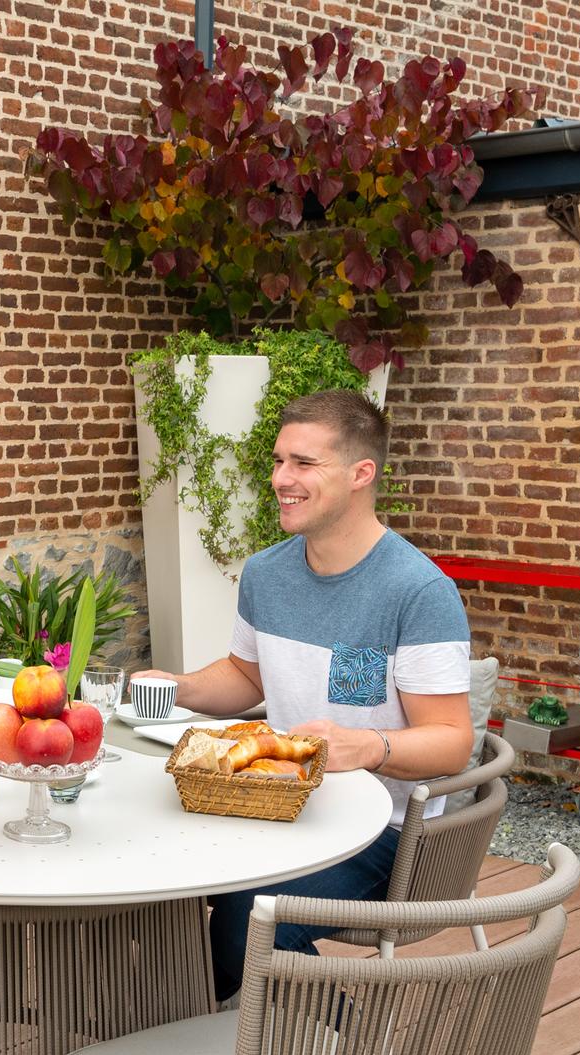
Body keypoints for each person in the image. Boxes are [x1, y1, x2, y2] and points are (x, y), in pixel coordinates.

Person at [133, 389, 472, 1004]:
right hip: (273, 809)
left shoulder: (419, 590)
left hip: (381, 834)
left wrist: (367, 746)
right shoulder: (267, 572)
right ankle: (173, 1021)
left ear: (361, 474)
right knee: (147, 877)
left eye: (303, 464)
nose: (280, 479)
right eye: (279, 460)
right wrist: (174, 688)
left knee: (253, 916)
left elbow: (451, 742)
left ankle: (320, 1041)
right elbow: (247, 677)